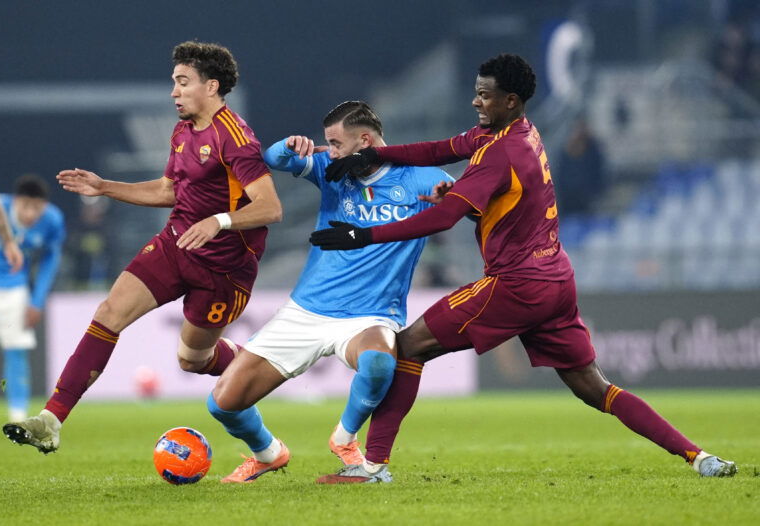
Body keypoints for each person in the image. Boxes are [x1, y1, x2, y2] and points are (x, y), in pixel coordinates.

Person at [311, 53, 737, 482]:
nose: (476, 102)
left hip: (516, 284)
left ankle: (373, 466)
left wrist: (362, 235)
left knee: (407, 348)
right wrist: (376, 160)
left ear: (510, 99)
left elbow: (443, 218)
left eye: (485, 95)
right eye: (476, 92)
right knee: (595, 387)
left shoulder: (500, 152)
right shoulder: (521, 133)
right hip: (556, 279)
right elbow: (439, 150)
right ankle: (699, 457)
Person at [3, 41, 282, 454]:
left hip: (224, 270)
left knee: (193, 360)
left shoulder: (235, 138)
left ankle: (261, 366)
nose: (173, 92)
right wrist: (104, 188)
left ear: (211, 87)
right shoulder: (183, 130)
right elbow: (169, 190)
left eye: (183, 83)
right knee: (109, 312)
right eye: (174, 82)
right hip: (174, 245)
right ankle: (52, 419)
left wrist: (218, 221)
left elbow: (270, 207)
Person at [207, 100, 453, 483]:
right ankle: (269, 453)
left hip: (370, 316)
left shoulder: (418, 178)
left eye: (336, 143)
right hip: (306, 311)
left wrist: (449, 201)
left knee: (378, 363)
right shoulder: (331, 168)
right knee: (223, 403)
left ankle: (344, 438)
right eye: (327, 143)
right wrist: (291, 146)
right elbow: (272, 158)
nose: (331, 151)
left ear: (366, 140)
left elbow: (466, 199)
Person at [0, 175, 64, 422]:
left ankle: (18, 416)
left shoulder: (52, 220)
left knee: (16, 350)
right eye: (26, 206)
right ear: (15, 201)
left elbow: (50, 260)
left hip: (14, 288)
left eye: (37, 208)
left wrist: (37, 300)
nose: (31, 214)